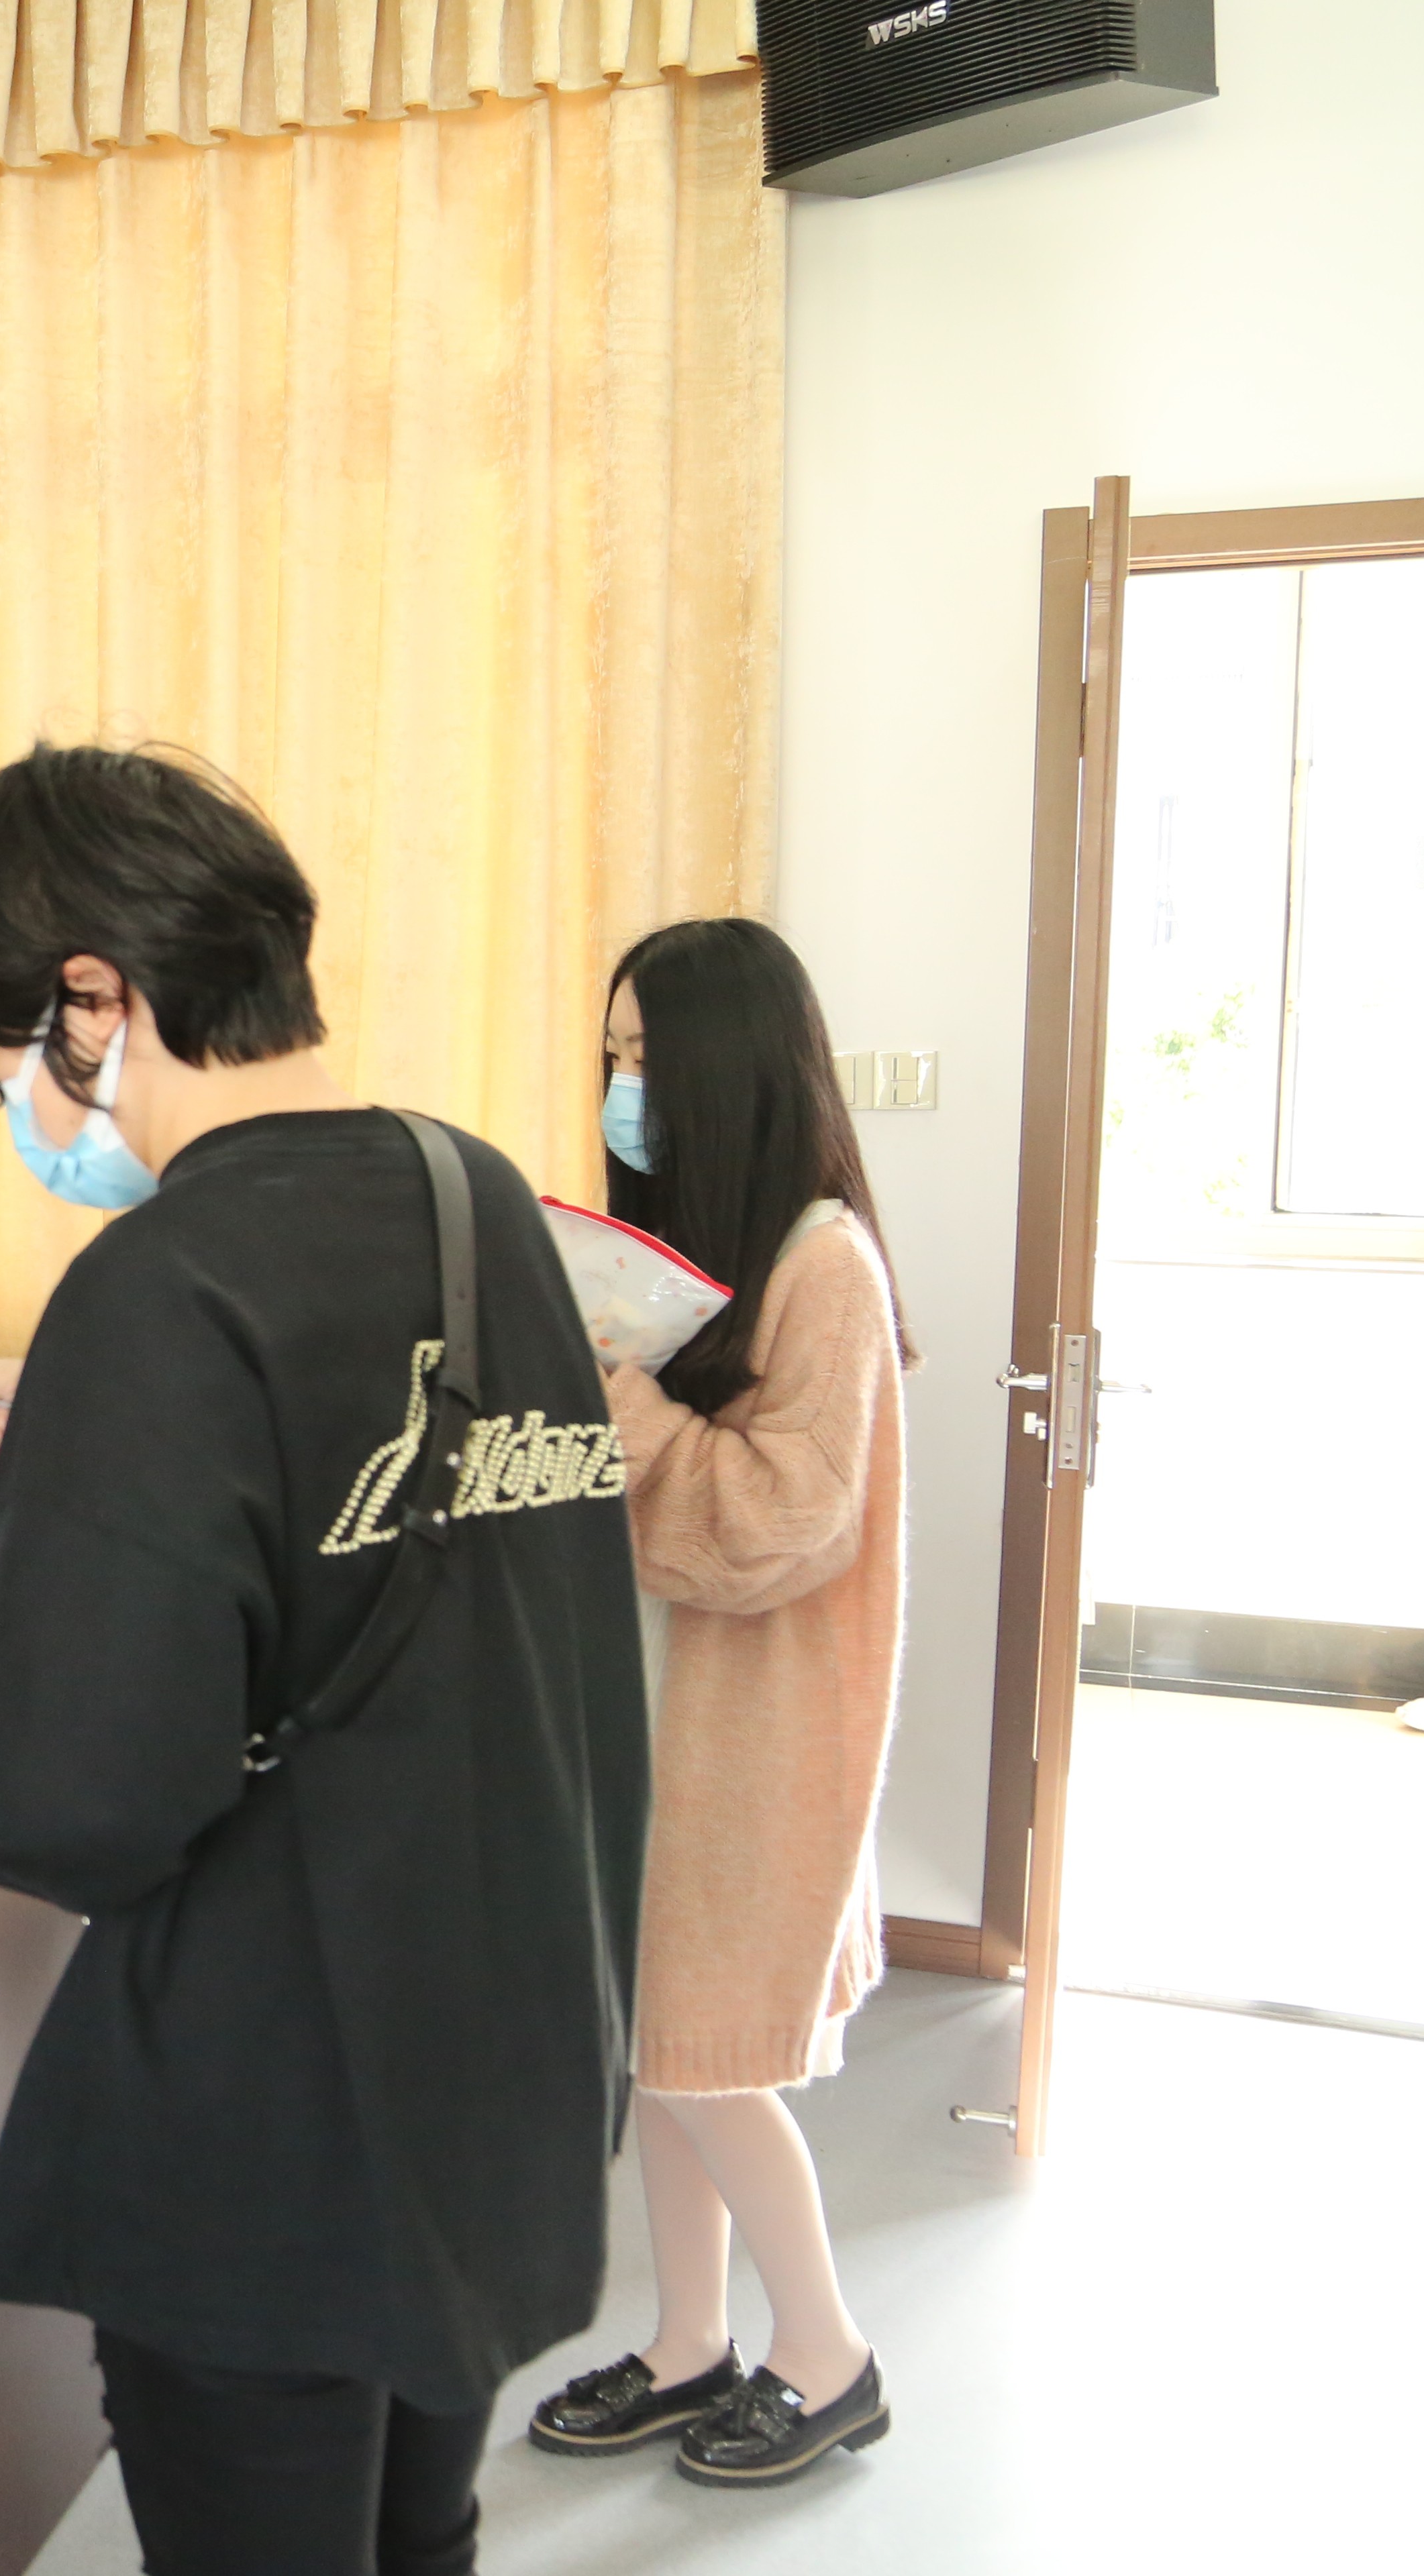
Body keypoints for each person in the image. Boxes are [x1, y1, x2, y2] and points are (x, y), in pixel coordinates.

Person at [0, 744, 650, 2576]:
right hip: (497, 2057)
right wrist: (78, 1466)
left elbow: (75, 1801)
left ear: (93, 999)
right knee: (416, 2535)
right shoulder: (475, 1203)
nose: (15, 1105)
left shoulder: (160, 1284)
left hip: (277, 2112)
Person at [526, 915, 907, 2487]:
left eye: (646, 1054)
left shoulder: (823, 1263)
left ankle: (826, 2352)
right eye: (610, 1054)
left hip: (750, 1725)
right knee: (660, 2048)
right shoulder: (711, 1253)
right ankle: (690, 2341)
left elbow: (786, 1521)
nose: (623, 1086)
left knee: (707, 2059)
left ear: (728, 1062)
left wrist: (625, 1411)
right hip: (654, 1708)